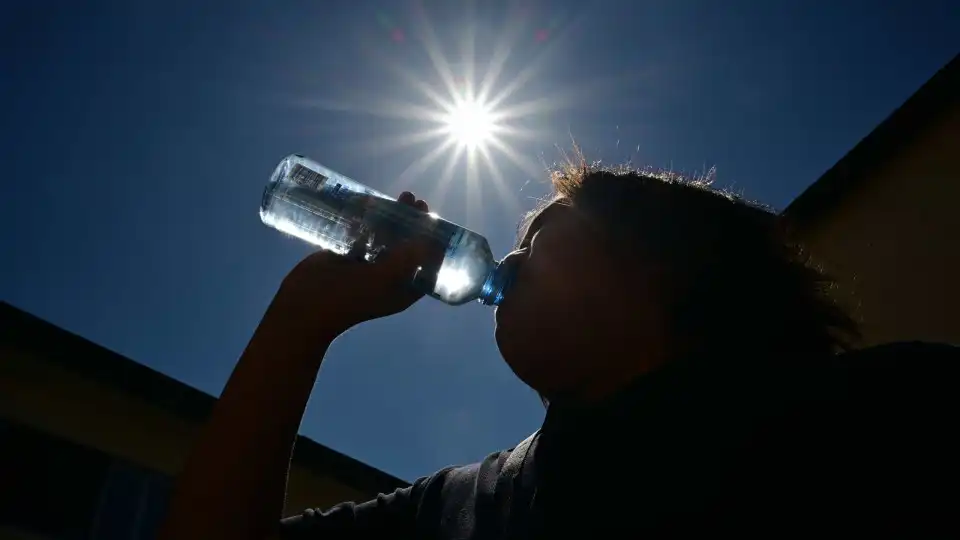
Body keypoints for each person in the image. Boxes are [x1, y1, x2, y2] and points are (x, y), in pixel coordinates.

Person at [160, 163, 959, 539]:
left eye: (539, 235)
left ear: (665, 264)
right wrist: (301, 320)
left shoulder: (887, 418)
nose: (507, 261)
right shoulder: (468, 506)